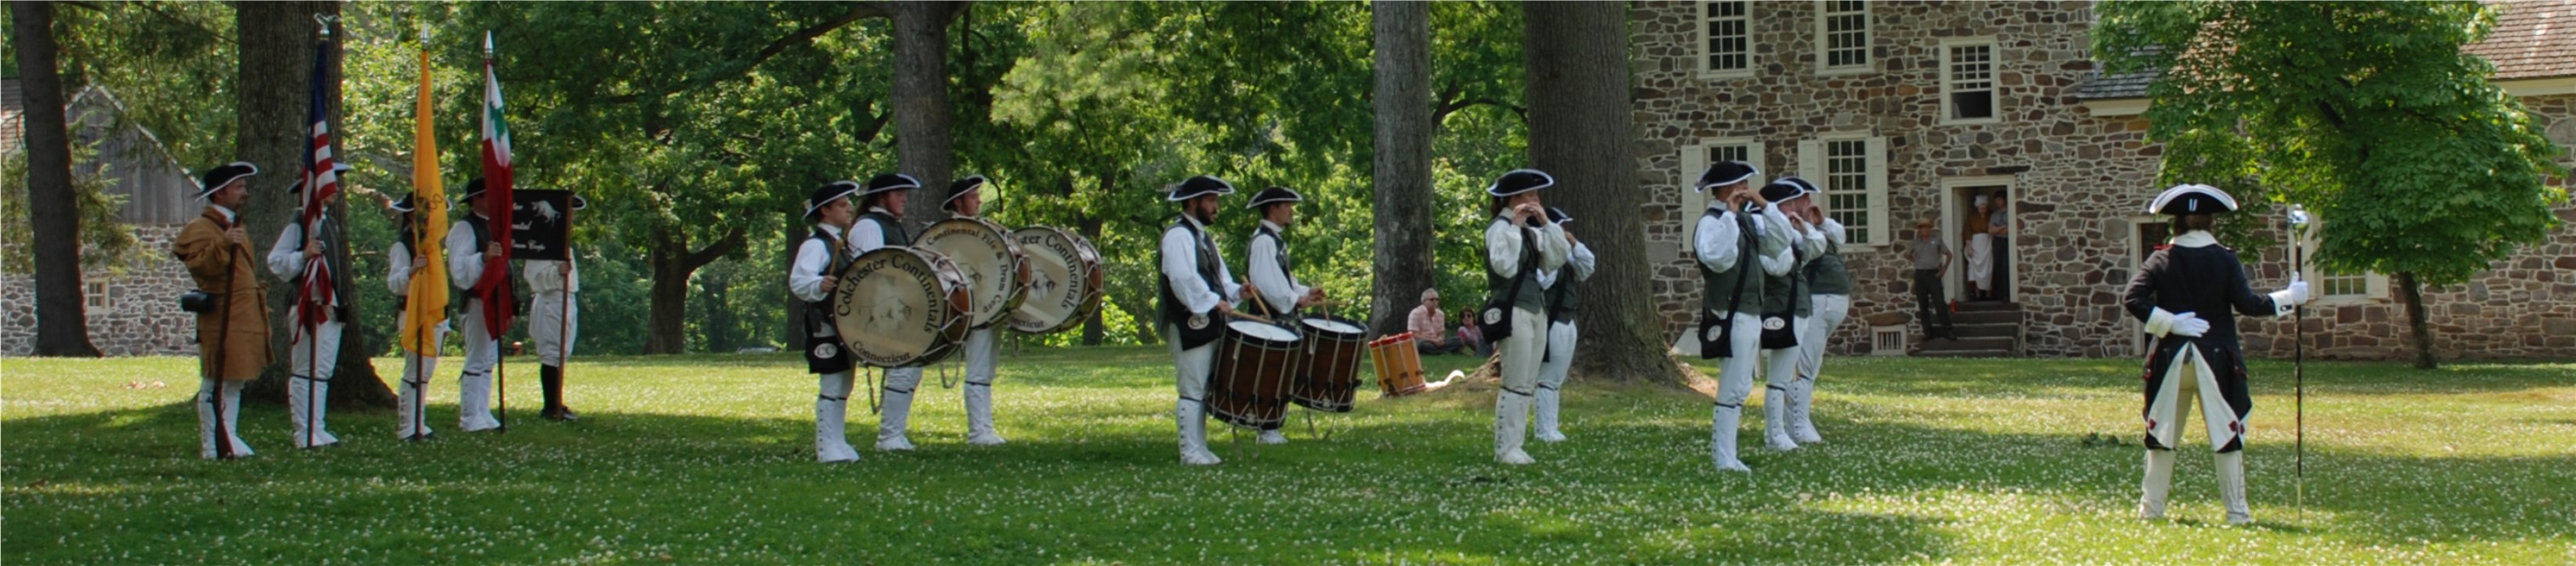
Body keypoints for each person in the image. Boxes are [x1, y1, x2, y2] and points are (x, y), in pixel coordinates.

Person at [2124, 184, 2309, 524]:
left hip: (2170, 359)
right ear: (2211, 222)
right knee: (2227, 436)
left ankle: (2151, 511)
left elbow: (2133, 298)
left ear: (2176, 223)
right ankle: (2237, 513)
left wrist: (2169, 323)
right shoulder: (2224, 259)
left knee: (2161, 437)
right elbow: (2249, 304)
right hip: (2218, 359)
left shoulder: (2161, 258)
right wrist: (2289, 297)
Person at [1681, 161, 1788, 472]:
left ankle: (1729, 455)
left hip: (1750, 311)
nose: (1746, 189)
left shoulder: (1746, 220)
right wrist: (1729, 215)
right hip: (1729, 312)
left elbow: (1781, 241)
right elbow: (1717, 258)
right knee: (1731, 386)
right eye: (1742, 184)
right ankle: (1723, 457)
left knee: (1741, 385)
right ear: (1727, 188)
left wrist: (1765, 206)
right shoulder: (1712, 222)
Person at [174, 161, 270, 460]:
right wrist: (224, 244)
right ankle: (212, 444)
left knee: (235, 378)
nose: (244, 192)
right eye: (238, 187)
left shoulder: (235, 225)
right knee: (216, 379)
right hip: (222, 314)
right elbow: (201, 267)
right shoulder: (200, 228)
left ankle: (228, 435)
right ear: (220, 193)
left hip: (243, 312)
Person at [1157, 175, 1248, 466]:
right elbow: (1182, 278)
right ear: (1193, 202)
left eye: (1216, 200)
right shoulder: (1178, 235)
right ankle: (1190, 452)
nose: (1215, 207)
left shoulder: (1202, 237)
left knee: (1202, 388)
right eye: (1210, 201)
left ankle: (1200, 449)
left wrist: (1238, 292)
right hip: (1187, 321)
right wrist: (1212, 302)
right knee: (1192, 388)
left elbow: (1220, 280)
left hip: (1205, 320)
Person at [1481, 169, 1570, 465]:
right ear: (1514, 199)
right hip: (1513, 309)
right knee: (1515, 380)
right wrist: (1515, 226)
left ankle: (1515, 445)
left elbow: (1556, 259)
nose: (1537, 200)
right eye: (1531, 195)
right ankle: (1506, 448)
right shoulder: (1499, 229)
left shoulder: (1531, 232)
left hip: (1535, 308)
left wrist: (1546, 224)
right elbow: (1504, 266)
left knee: (1528, 381)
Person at [266, 163, 355, 449]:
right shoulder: (300, 223)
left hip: (329, 304)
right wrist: (303, 256)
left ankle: (318, 427)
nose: (336, 189)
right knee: (305, 368)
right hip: (308, 303)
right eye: (331, 184)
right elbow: (277, 262)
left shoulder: (330, 223)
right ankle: (303, 431)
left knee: (322, 370)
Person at [1243, 185, 1326, 445]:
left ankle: (1272, 424)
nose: (1292, 211)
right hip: (1269, 318)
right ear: (1273, 209)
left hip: (1278, 316)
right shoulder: (1264, 241)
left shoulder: (1274, 240)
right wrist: (1295, 299)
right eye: (1287, 206)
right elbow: (1266, 283)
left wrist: (1305, 292)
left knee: (1281, 372)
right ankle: (1266, 428)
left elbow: (1284, 281)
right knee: (1271, 372)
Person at [792, 180, 867, 462]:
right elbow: (799, 281)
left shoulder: (839, 244)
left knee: (844, 385)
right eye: (842, 205)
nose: (849, 209)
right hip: (824, 324)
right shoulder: (816, 245)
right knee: (833, 385)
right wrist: (818, 284)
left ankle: (838, 442)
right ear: (825, 211)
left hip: (841, 326)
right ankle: (826, 447)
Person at [853, 173, 929, 451]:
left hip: (897, 308)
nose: (904, 199)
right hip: (882, 310)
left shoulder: (889, 225)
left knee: (911, 369)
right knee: (902, 368)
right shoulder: (869, 226)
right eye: (898, 194)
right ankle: (888, 437)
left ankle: (895, 434)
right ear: (881, 197)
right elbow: (871, 271)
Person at [1752, 179, 1823, 452]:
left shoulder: (1787, 232)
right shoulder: (1766, 235)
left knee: (1785, 374)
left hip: (1797, 305)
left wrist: (1803, 228)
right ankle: (1774, 434)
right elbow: (1778, 266)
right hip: (1780, 307)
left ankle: (1782, 431)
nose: (1793, 208)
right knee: (1778, 377)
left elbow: (1816, 248)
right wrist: (1785, 233)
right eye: (1788, 204)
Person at [946, 175, 1008, 446]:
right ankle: (978, 432)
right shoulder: (950, 233)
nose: (979, 201)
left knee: (986, 370)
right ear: (958, 203)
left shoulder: (980, 230)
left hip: (988, 306)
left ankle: (985, 429)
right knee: (979, 369)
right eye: (973, 197)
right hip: (970, 309)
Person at [444, 178, 509, 433]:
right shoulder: (465, 228)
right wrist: (483, 258)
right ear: (476, 199)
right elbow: (460, 271)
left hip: (493, 301)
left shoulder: (493, 227)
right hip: (476, 300)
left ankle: (483, 411)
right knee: (477, 357)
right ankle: (470, 415)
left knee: (489, 358)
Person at [1531, 207, 1595, 443]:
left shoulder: (1565, 257)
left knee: (1556, 379)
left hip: (1568, 319)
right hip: (1551, 320)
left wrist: (1574, 244)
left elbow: (1587, 267)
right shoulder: (1540, 258)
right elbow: (1543, 282)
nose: (1565, 232)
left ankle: (1552, 427)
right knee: (1547, 379)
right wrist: (1555, 251)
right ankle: (1543, 430)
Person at [386, 193, 447, 441]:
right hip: (413, 312)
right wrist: (412, 271)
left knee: (426, 372)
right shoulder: (403, 245)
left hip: (434, 313)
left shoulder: (432, 244)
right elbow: (395, 283)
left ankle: (419, 423)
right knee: (414, 371)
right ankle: (407, 426)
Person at [1793, 194, 1849, 444]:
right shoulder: (1793, 229)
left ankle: (1800, 420)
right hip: (1814, 300)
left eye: (1808, 199)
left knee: (1812, 367)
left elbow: (1840, 236)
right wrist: (1806, 226)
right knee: (1804, 368)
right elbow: (1808, 249)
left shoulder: (1821, 228)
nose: (1807, 203)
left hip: (1831, 302)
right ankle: (1798, 425)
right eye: (1801, 199)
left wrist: (1820, 221)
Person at [524, 195, 586, 422]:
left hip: (566, 298)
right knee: (552, 352)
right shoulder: (543, 239)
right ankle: (550, 406)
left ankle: (557, 402)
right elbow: (533, 276)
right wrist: (556, 272)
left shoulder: (561, 240)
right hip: (552, 298)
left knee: (562, 353)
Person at [1907, 220, 1959, 342]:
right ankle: (1928, 332)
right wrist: (1917, 262)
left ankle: (1948, 330)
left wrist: (1944, 269)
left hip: (1934, 275)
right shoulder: (1915, 242)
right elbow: (1907, 254)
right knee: (1923, 305)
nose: (1925, 230)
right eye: (1923, 228)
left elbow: (1949, 254)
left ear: (1930, 229)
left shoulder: (1936, 240)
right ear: (1920, 229)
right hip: (1920, 275)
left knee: (1940, 303)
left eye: (1927, 227)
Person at [1407, 289, 1466, 354]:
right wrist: (1433, 340)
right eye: (1432, 299)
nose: (1435, 301)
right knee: (1421, 345)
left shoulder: (1440, 314)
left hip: (1436, 342)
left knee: (1459, 341)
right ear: (1423, 301)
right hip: (1424, 341)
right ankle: (1444, 351)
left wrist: (1440, 339)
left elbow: (1441, 333)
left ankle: (1436, 351)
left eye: (1437, 299)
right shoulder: (1415, 313)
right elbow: (1414, 335)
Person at [1965, 195, 1994, 300]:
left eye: (1985, 207)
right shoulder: (1972, 218)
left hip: (1988, 244)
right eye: (1981, 207)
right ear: (1978, 207)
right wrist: (1969, 248)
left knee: (1988, 269)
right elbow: (1967, 233)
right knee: (1975, 268)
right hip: (1976, 244)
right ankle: (1977, 293)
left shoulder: (1991, 216)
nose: (1983, 210)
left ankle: (1988, 293)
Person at [1987, 190, 2011, 301]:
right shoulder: (1995, 214)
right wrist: (2003, 227)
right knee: (1998, 268)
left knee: (2006, 267)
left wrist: (1998, 228)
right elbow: (1991, 230)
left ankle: (2007, 294)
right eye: (1996, 200)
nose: (1998, 202)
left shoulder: (2011, 212)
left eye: (1999, 200)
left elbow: (2011, 229)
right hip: (1998, 243)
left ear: (2005, 199)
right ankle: (2001, 294)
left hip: (2008, 242)